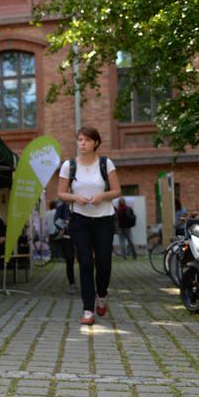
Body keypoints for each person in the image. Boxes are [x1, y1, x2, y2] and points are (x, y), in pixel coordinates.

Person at [57, 126, 121, 325]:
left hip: (104, 219)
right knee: (85, 263)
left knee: (103, 263)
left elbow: (117, 191)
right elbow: (60, 193)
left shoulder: (105, 163)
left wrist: (102, 196)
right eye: (79, 139)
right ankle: (88, 310)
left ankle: (101, 295)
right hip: (79, 220)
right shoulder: (69, 166)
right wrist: (75, 197)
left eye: (86, 140)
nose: (82, 143)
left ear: (96, 143)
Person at [54, 200, 77, 293]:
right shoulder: (61, 206)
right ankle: (72, 284)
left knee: (85, 260)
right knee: (69, 259)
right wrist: (66, 225)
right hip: (66, 237)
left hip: (81, 236)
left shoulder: (80, 204)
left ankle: (87, 284)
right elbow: (56, 220)